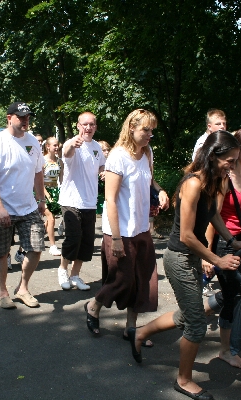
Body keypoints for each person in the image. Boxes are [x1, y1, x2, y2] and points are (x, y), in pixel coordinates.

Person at [127, 130, 241, 400]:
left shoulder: (213, 181)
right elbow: (186, 236)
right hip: (179, 258)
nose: (232, 166)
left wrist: (232, 240)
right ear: (213, 156)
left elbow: (213, 215)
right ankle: (183, 380)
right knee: (196, 324)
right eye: (229, 160)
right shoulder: (193, 183)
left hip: (191, 257)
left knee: (188, 314)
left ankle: (140, 332)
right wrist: (217, 259)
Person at [83, 109, 169, 338]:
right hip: (120, 230)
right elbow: (110, 200)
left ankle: (131, 328)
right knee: (122, 279)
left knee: (142, 279)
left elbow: (150, 180)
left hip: (141, 228)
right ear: (131, 128)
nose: (150, 134)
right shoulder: (118, 156)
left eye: (152, 130)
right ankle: (94, 305)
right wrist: (116, 238)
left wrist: (160, 191)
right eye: (145, 129)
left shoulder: (147, 152)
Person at [204, 127, 241, 369]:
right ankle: (226, 351)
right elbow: (212, 216)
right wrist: (208, 255)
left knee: (236, 294)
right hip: (224, 243)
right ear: (237, 149)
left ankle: (191, 315)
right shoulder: (224, 177)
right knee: (233, 297)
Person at [0, 102, 46, 309]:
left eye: (28, 117)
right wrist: (0, 208)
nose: (25, 120)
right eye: (21, 117)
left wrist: (41, 199)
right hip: (1, 208)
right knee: (1, 252)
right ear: (9, 118)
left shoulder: (33, 142)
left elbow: (38, 172)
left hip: (28, 207)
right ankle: (3, 292)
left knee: (36, 247)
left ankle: (22, 288)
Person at [57, 112, 106, 291]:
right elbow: (66, 153)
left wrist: (103, 171)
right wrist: (72, 144)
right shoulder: (72, 143)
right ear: (78, 126)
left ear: (95, 127)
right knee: (73, 238)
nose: (88, 127)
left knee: (86, 242)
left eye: (91, 124)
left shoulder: (97, 147)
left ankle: (75, 275)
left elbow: (101, 164)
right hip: (71, 201)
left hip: (90, 202)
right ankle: (63, 269)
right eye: (85, 124)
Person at [42, 137, 63, 256]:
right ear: (48, 147)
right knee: (51, 218)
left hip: (55, 191)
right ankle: (53, 246)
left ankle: (39, 235)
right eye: (54, 145)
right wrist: (48, 197)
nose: (56, 147)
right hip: (43, 192)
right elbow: (39, 182)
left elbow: (62, 180)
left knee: (50, 218)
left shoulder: (60, 162)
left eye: (57, 145)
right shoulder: (42, 161)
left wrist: (62, 192)